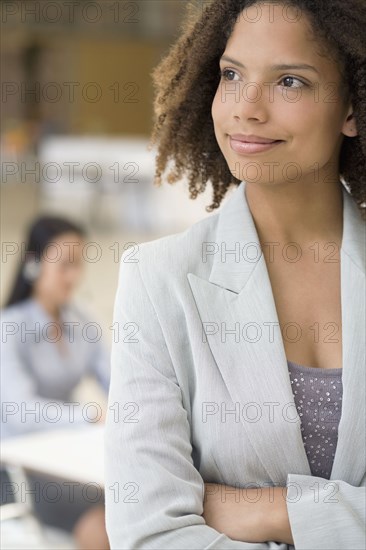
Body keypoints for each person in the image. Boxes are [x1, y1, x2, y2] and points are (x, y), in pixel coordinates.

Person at [104, 1, 365, 549]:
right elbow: (150, 533)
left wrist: (283, 512)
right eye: (231, 75)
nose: (246, 108)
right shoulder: (159, 281)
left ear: (352, 108)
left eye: (289, 81)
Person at [1, 216, 110, 549]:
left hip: (65, 460)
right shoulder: (10, 328)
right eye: (65, 265)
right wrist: (88, 416)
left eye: (78, 264)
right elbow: (20, 412)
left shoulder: (81, 321)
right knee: (101, 524)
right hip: (16, 469)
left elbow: (120, 382)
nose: (74, 276)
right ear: (33, 264)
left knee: (133, 505)